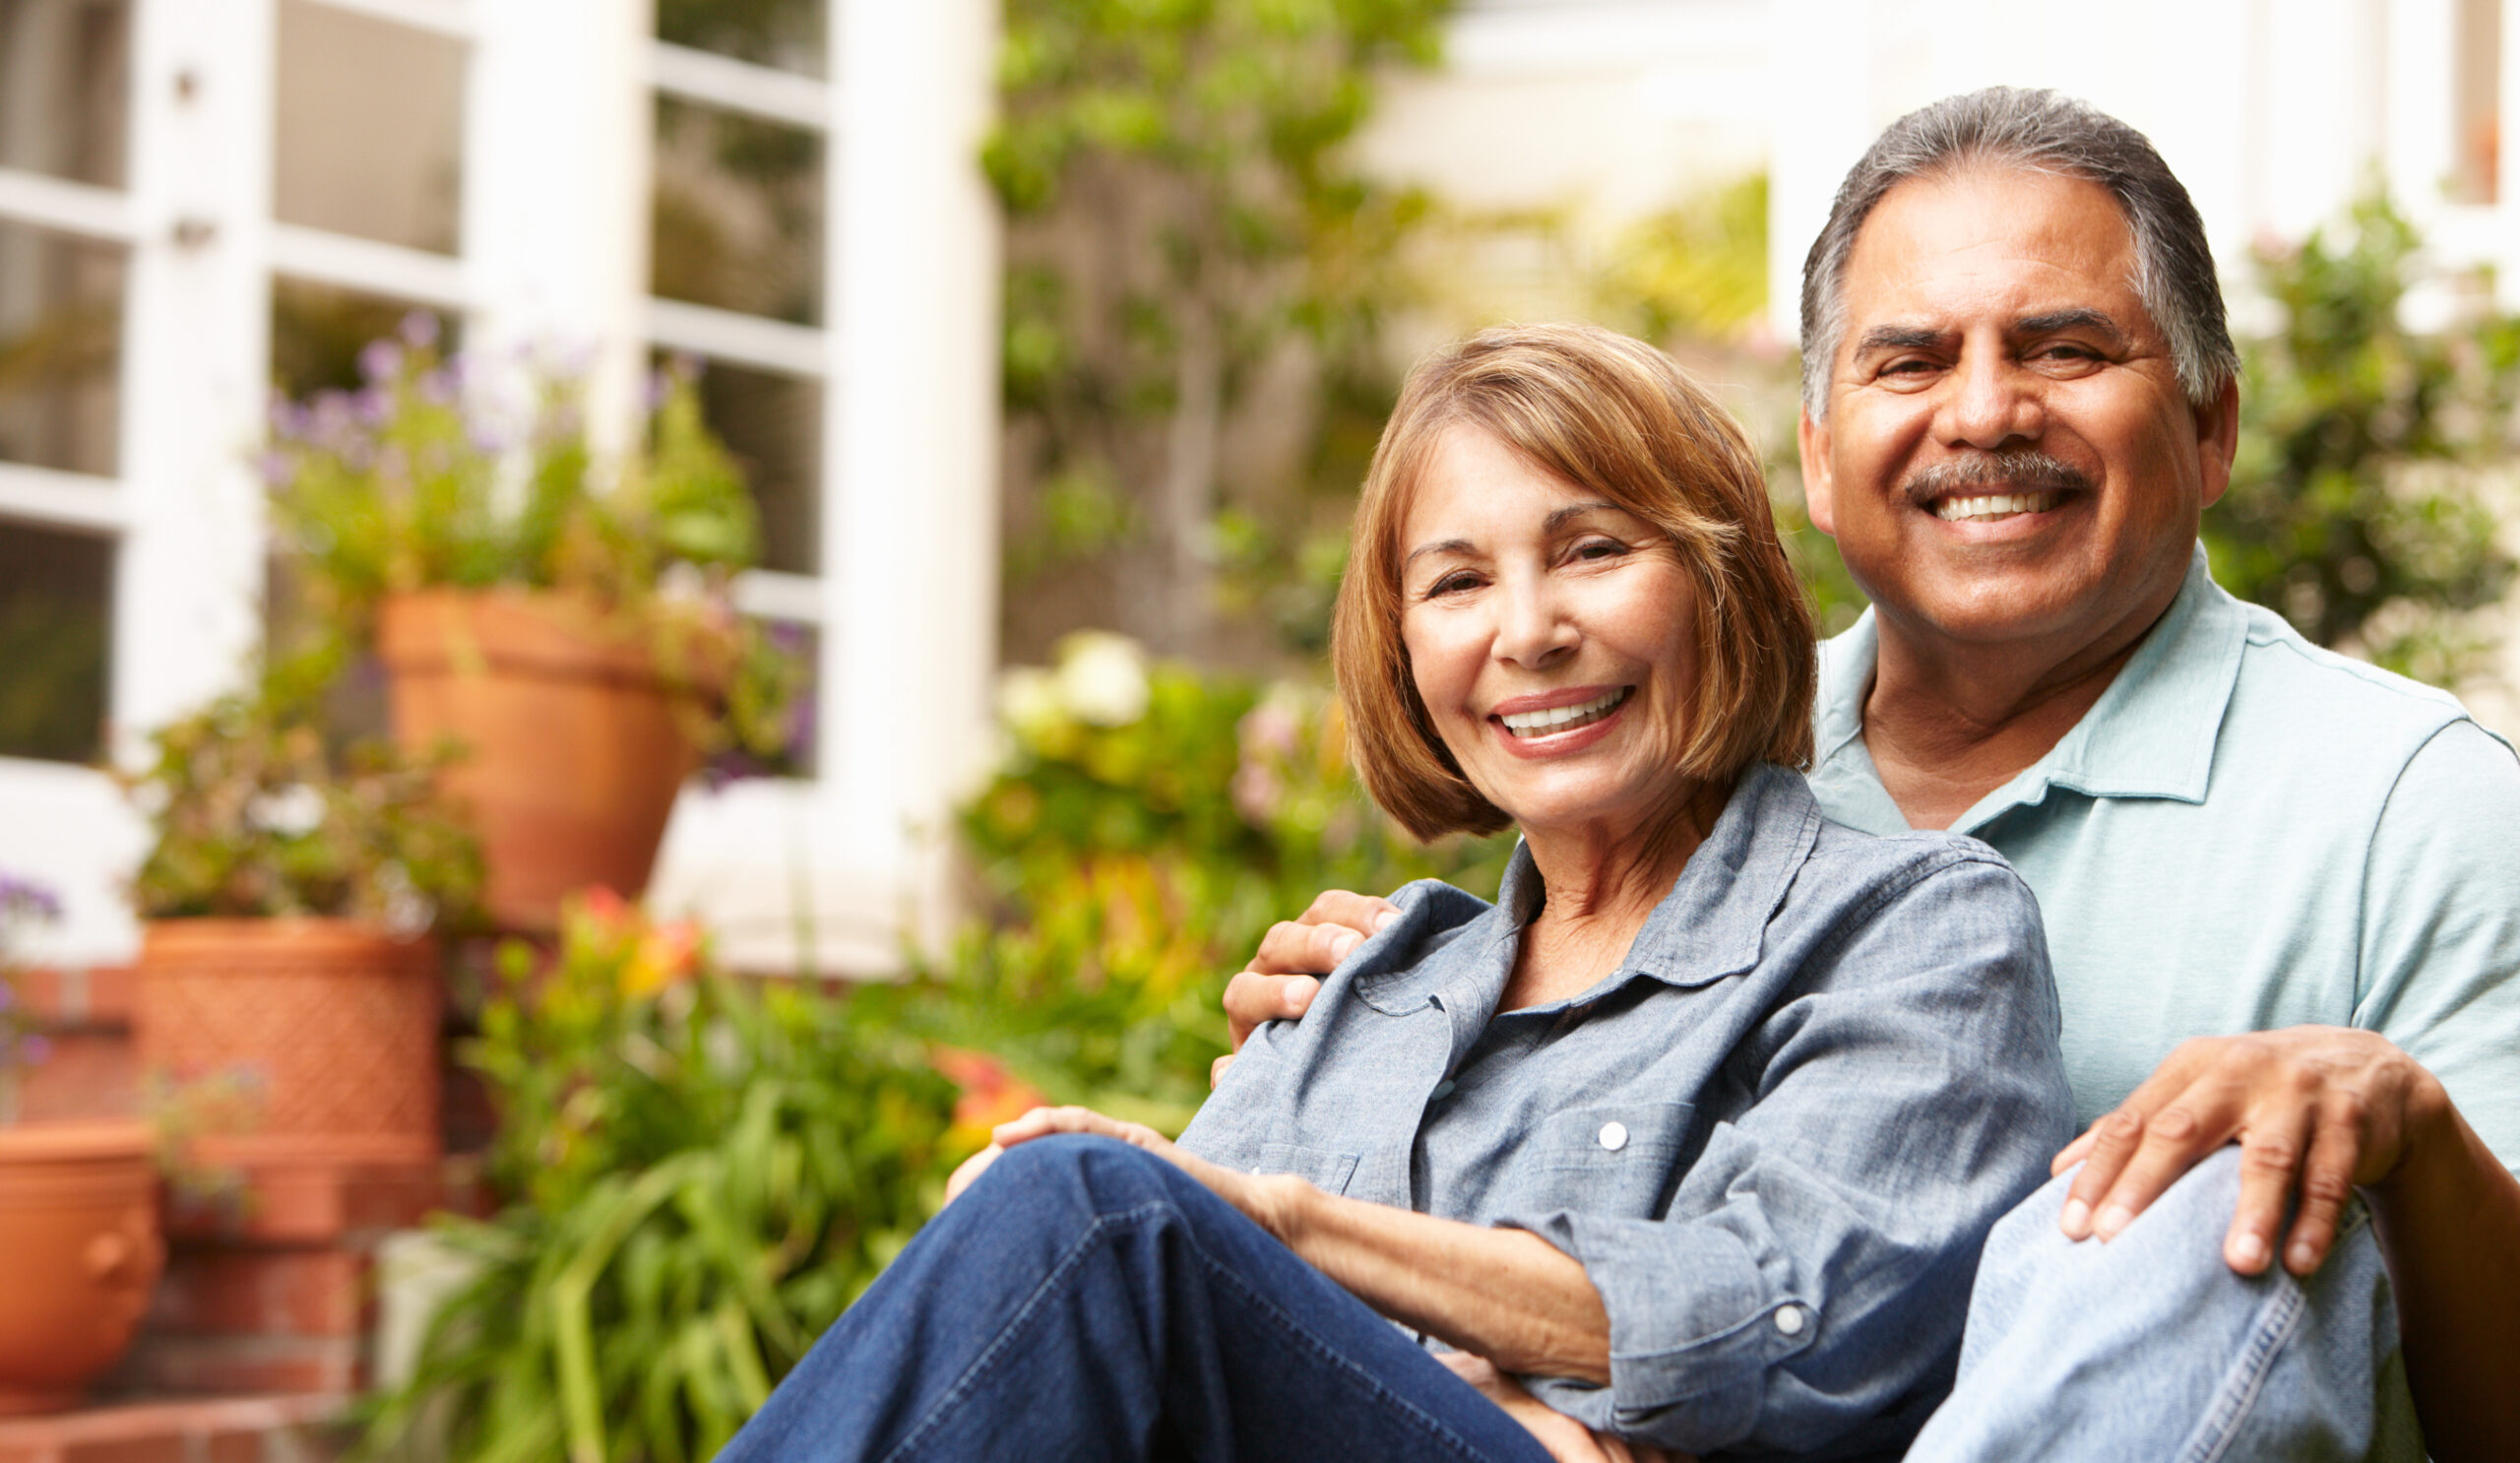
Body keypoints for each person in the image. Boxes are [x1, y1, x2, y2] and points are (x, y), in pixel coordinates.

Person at [1227, 90, 2520, 1460]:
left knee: (2200, 1189)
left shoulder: (2409, 804)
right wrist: (1350, 1058)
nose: (1983, 410)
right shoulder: (1665, 753)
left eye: (2065, 347)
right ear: (1819, 459)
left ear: (2211, 427)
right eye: (1908, 363)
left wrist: (2413, 1137)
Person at [716, 324, 2074, 1463]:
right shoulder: (1365, 984)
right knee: (1051, 1219)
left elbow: (1782, 1313)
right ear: (1406, 644)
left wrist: (1291, 1224)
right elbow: (1197, 1354)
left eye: (1595, 550)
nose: (1527, 632)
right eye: (1458, 581)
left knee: (1097, 1211)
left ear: (1719, 583)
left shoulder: (1914, 930)